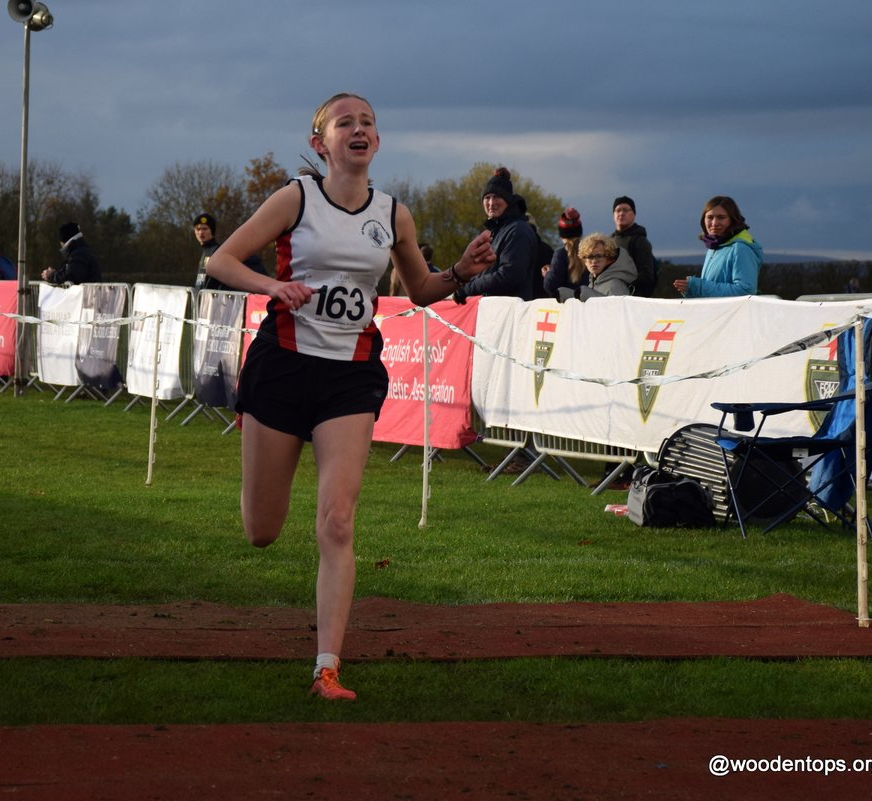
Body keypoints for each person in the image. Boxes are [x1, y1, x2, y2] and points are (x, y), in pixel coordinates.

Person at [205, 92, 495, 701]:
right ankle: (260, 480)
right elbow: (222, 260)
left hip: (351, 374)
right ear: (321, 143)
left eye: (367, 122)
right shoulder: (296, 197)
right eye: (346, 123)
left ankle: (327, 669)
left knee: (337, 521)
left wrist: (462, 271)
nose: (359, 130)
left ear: (377, 142)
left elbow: (419, 289)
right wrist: (272, 286)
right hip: (282, 367)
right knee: (262, 529)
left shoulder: (393, 214)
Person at [453, 167, 537, 303]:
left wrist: (468, 290)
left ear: (508, 201)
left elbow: (510, 276)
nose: (491, 203)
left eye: (497, 197)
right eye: (487, 198)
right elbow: (482, 272)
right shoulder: (494, 232)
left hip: (509, 314)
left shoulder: (517, 231)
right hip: (492, 313)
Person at [673, 196, 762, 298]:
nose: (714, 223)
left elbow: (745, 291)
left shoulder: (741, 248)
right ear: (704, 220)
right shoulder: (714, 247)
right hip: (718, 313)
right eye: (710, 217)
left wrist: (699, 287)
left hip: (733, 314)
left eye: (721, 217)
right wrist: (692, 290)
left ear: (732, 220)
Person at [193, 212, 266, 291]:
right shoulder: (205, 252)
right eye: (198, 229)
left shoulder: (218, 251)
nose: (201, 232)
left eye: (205, 229)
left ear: (212, 231)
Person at [611, 196, 656, 297]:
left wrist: (621, 281)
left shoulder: (640, 242)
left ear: (634, 214)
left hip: (633, 300)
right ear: (613, 215)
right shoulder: (609, 241)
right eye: (618, 210)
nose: (621, 213)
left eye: (626, 210)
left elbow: (647, 276)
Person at [543, 207, 589, 300]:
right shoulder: (590, 252)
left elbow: (550, 286)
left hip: (567, 307)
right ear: (580, 232)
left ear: (561, 235)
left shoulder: (561, 254)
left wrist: (547, 274)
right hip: (589, 304)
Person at [577, 233, 636, 298]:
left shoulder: (615, 286)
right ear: (584, 261)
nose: (594, 261)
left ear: (609, 258)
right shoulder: (592, 284)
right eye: (590, 257)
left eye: (599, 256)